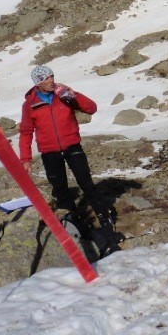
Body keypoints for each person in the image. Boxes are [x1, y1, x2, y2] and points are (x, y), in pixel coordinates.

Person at [18, 64, 109, 223]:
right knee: (59, 188)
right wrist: (26, 159)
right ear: (38, 83)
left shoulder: (64, 95)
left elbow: (91, 108)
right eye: (46, 78)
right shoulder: (30, 104)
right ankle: (71, 220)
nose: (51, 80)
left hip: (72, 145)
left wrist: (75, 95)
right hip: (49, 152)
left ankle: (104, 215)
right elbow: (26, 132)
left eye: (52, 76)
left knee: (85, 182)